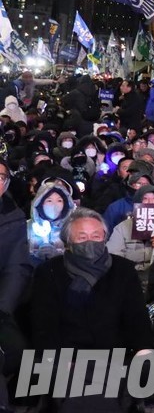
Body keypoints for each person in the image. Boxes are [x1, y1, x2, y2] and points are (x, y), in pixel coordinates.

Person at [29, 208, 154, 410]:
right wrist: (60, 358)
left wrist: (143, 350)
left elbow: (136, 319)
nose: (90, 242)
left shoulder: (123, 269)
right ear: (68, 242)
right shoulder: (49, 272)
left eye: (96, 236)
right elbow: (43, 324)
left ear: (105, 237)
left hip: (115, 357)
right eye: (82, 237)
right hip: (67, 357)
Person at [0, 159, 29, 413]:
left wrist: (3, 308)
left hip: (0, 303)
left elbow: (16, 267)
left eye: (1, 177)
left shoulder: (14, 215)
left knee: (14, 352)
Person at [27, 179, 76, 266]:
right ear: (40, 203)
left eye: (59, 201)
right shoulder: (27, 226)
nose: (54, 205)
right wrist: (35, 257)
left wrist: (58, 256)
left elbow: (78, 257)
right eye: (49, 200)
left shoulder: (71, 228)